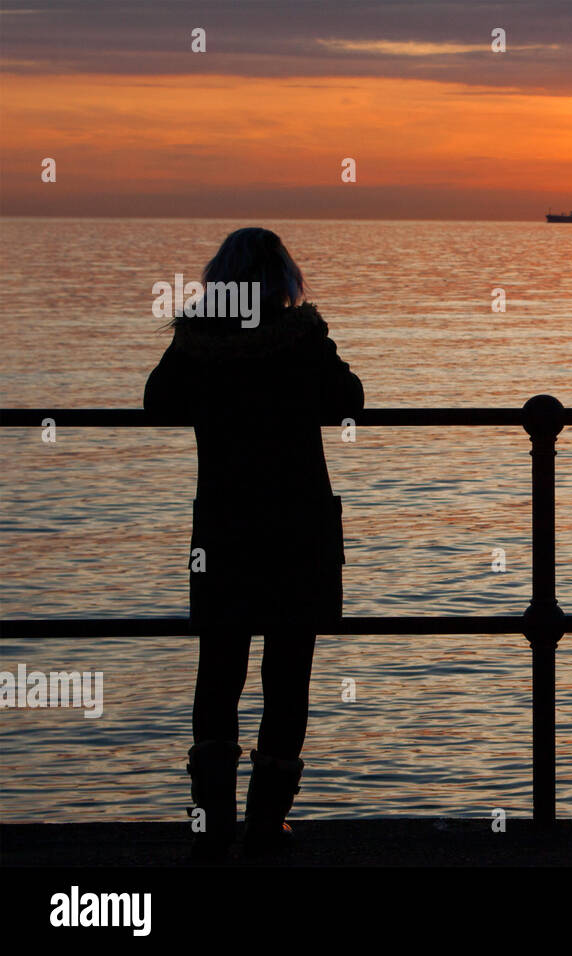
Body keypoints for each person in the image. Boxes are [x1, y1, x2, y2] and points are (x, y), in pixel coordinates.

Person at [143, 227, 363, 860]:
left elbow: (158, 403)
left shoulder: (199, 344)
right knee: (287, 675)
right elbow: (351, 400)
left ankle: (213, 822)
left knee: (219, 673)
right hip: (298, 529)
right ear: (283, 280)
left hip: (225, 529)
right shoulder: (303, 340)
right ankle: (267, 823)